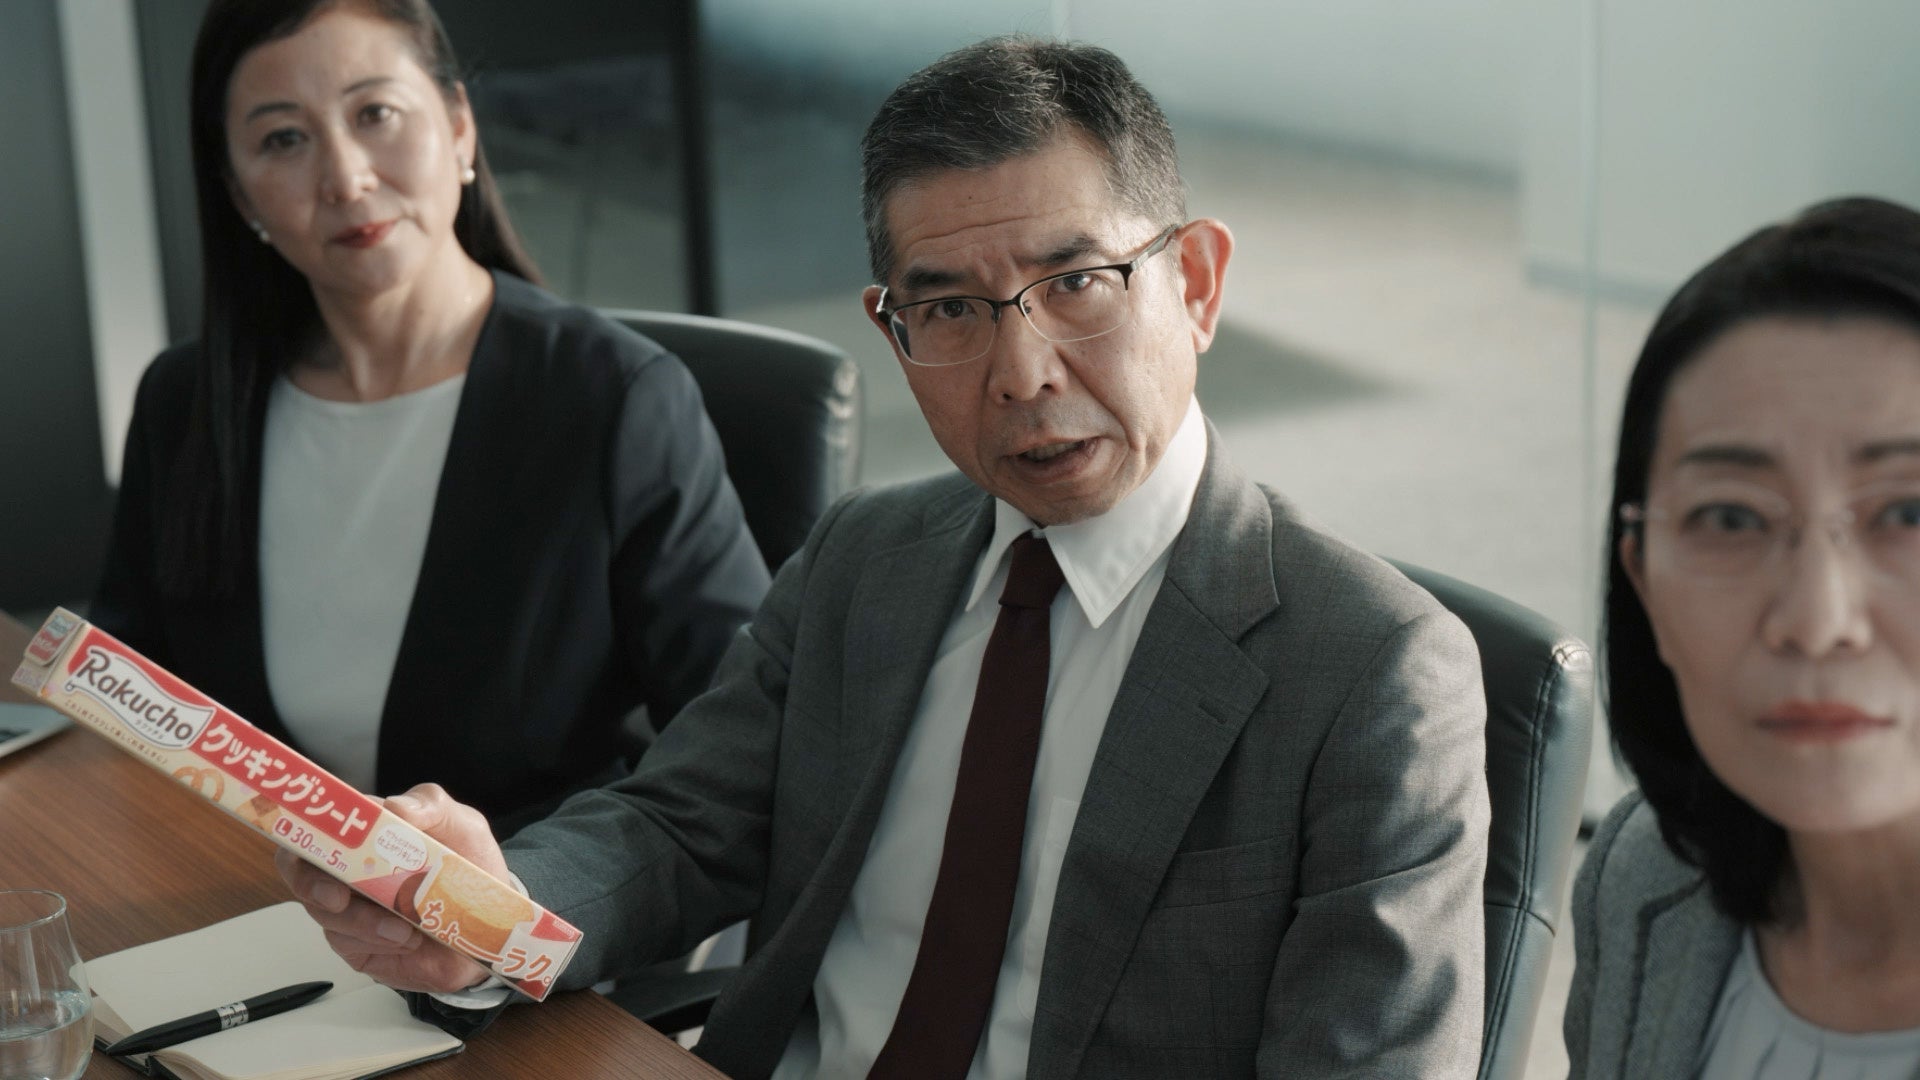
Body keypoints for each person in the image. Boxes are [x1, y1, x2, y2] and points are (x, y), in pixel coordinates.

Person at [282, 37, 1491, 1078]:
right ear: (893, 329)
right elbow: (681, 827)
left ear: (1199, 285)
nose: (1023, 374)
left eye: (1078, 282)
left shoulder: (1374, 673)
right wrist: (486, 910)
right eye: (950, 309)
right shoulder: (867, 557)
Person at [90, 0, 769, 837]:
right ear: (238, 192)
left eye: (375, 113)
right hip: (241, 894)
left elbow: (739, 750)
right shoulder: (186, 403)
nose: (345, 179)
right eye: (284, 139)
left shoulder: (614, 397)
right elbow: (126, 697)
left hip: (522, 901)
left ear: (458, 127)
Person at [1567, 196, 1920, 1077]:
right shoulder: (1643, 879)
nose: (1816, 622)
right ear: (1643, 580)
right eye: (1731, 517)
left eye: (1909, 514)